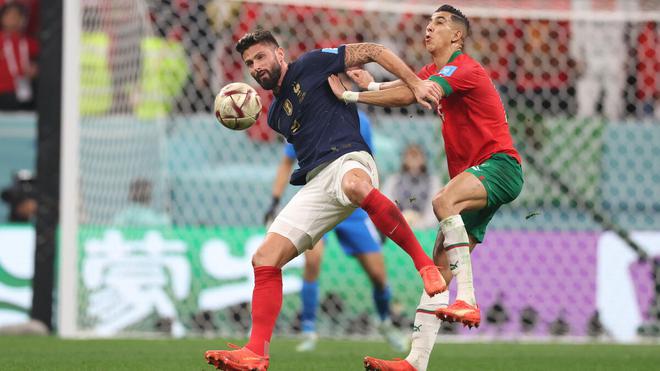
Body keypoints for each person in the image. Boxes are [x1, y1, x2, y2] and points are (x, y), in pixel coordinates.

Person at [204, 29, 447, 371]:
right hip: (318, 183)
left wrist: (416, 83)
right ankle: (256, 351)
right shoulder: (276, 117)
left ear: (280, 55)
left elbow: (374, 49)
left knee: (354, 186)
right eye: (249, 63)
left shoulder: (314, 63)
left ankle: (424, 264)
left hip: (351, 161)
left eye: (261, 57)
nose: (256, 66)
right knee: (264, 258)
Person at [327, 5, 523, 370]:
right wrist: (370, 85)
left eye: (440, 23)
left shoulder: (463, 68)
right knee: (437, 271)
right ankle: (416, 360)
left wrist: (352, 97)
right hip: (475, 175)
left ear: (458, 36)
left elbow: (415, 94)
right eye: (429, 21)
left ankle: (467, 298)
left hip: (500, 167)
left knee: (442, 201)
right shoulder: (436, 71)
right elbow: (407, 89)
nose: (429, 27)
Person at [264, 98, 408, 353]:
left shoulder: (359, 119)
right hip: (319, 200)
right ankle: (308, 329)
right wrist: (274, 201)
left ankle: (385, 322)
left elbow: (369, 163)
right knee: (313, 260)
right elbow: (287, 161)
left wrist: (378, 211)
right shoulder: (303, 116)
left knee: (377, 275)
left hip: (353, 205)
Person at [381, 144, 441, 229]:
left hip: (425, 230)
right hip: (398, 227)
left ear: (424, 159)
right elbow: (388, 206)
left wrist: (418, 224)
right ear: (404, 159)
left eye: (416, 155)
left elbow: (433, 212)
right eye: (410, 154)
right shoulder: (393, 181)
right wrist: (401, 221)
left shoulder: (433, 182)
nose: (413, 158)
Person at [0, 2, 38, 111]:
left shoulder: (28, 42)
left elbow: (43, 59)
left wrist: (35, 68)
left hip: (24, 91)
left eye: (17, 16)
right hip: (3, 92)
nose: (13, 19)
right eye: (9, 16)